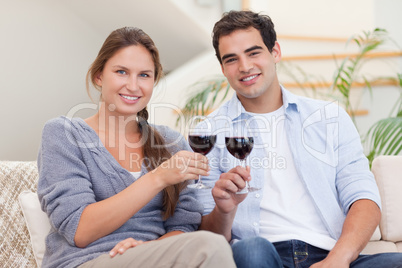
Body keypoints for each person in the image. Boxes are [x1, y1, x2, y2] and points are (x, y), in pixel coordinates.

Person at [194, 10, 402, 268]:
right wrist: (224, 210)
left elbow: (364, 200)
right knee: (251, 250)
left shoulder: (329, 118)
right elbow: (209, 237)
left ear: (275, 52)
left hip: (330, 254)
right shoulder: (209, 133)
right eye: (231, 59)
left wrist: (337, 259)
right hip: (260, 256)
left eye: (254, 52)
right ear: (223, 68)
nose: (245, 67)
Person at [37, 27, 236, 268]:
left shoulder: (170, 142)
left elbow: (184, 227)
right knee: (210, 247)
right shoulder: (64, 134)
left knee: (216, 246)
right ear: (99, 76)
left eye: (144, 75)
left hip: (155, 258)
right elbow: (79, 230)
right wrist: (158, 178)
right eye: (121, 72)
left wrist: (152, 249)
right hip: (86, 261)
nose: (133, 86)